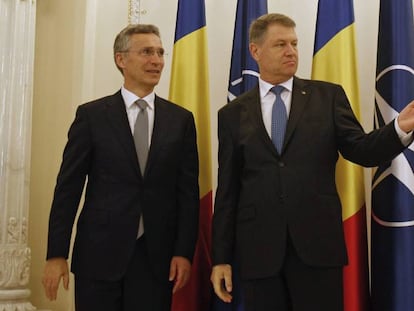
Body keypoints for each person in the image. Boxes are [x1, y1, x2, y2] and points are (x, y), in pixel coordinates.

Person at [210, 13, 414, 311]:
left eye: (294, 43)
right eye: (280, 44)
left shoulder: (327, 97)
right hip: (259, 251)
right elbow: (227, 191)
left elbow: (361, 150)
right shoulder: (232, 114)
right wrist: (221, 258)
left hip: (317, 247)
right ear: (255, 51)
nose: (291, 51)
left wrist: (400, 128)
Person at [42, 24, 200, 311]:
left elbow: (188, 194)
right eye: (147, 52)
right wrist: (56, 254)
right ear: (121, 59)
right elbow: (68, 188)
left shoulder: (181, 121)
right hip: (98, 257)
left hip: (156, 259)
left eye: (160, 52)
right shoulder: (91, 116)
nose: (157, 60)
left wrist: (183, 252)